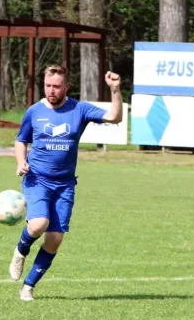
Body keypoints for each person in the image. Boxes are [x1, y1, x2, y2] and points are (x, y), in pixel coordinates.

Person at [9, 64, 122, 301]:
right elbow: (21, 140)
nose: (51, 90)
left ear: (66, 87)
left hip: (65, 185)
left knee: (55, 239)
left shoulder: (79, 109)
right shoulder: (34, 111)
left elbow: (115, 117)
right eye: (48, 85)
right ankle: (20, 250)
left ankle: (28, 287)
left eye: (56, 86)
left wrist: (115, 90)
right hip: (37, 179)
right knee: (39, 223)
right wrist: (21, 162)